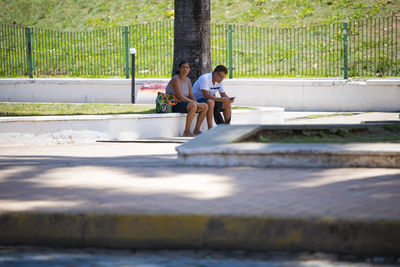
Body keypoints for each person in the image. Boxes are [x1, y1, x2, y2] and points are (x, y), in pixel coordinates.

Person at [166, 61, 208, 137]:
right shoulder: (176, 79)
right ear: (179, 69)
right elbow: (180, 97)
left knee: (205, 106)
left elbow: (191, 96)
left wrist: (198, 104)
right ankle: (186, 131)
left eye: (187, 67)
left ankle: (196, 130)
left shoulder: (188, 80)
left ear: (189, 69)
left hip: (183, 103)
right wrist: (196, 104)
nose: (185, 69)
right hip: (174, 104)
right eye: (183, 67)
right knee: (193, 106)